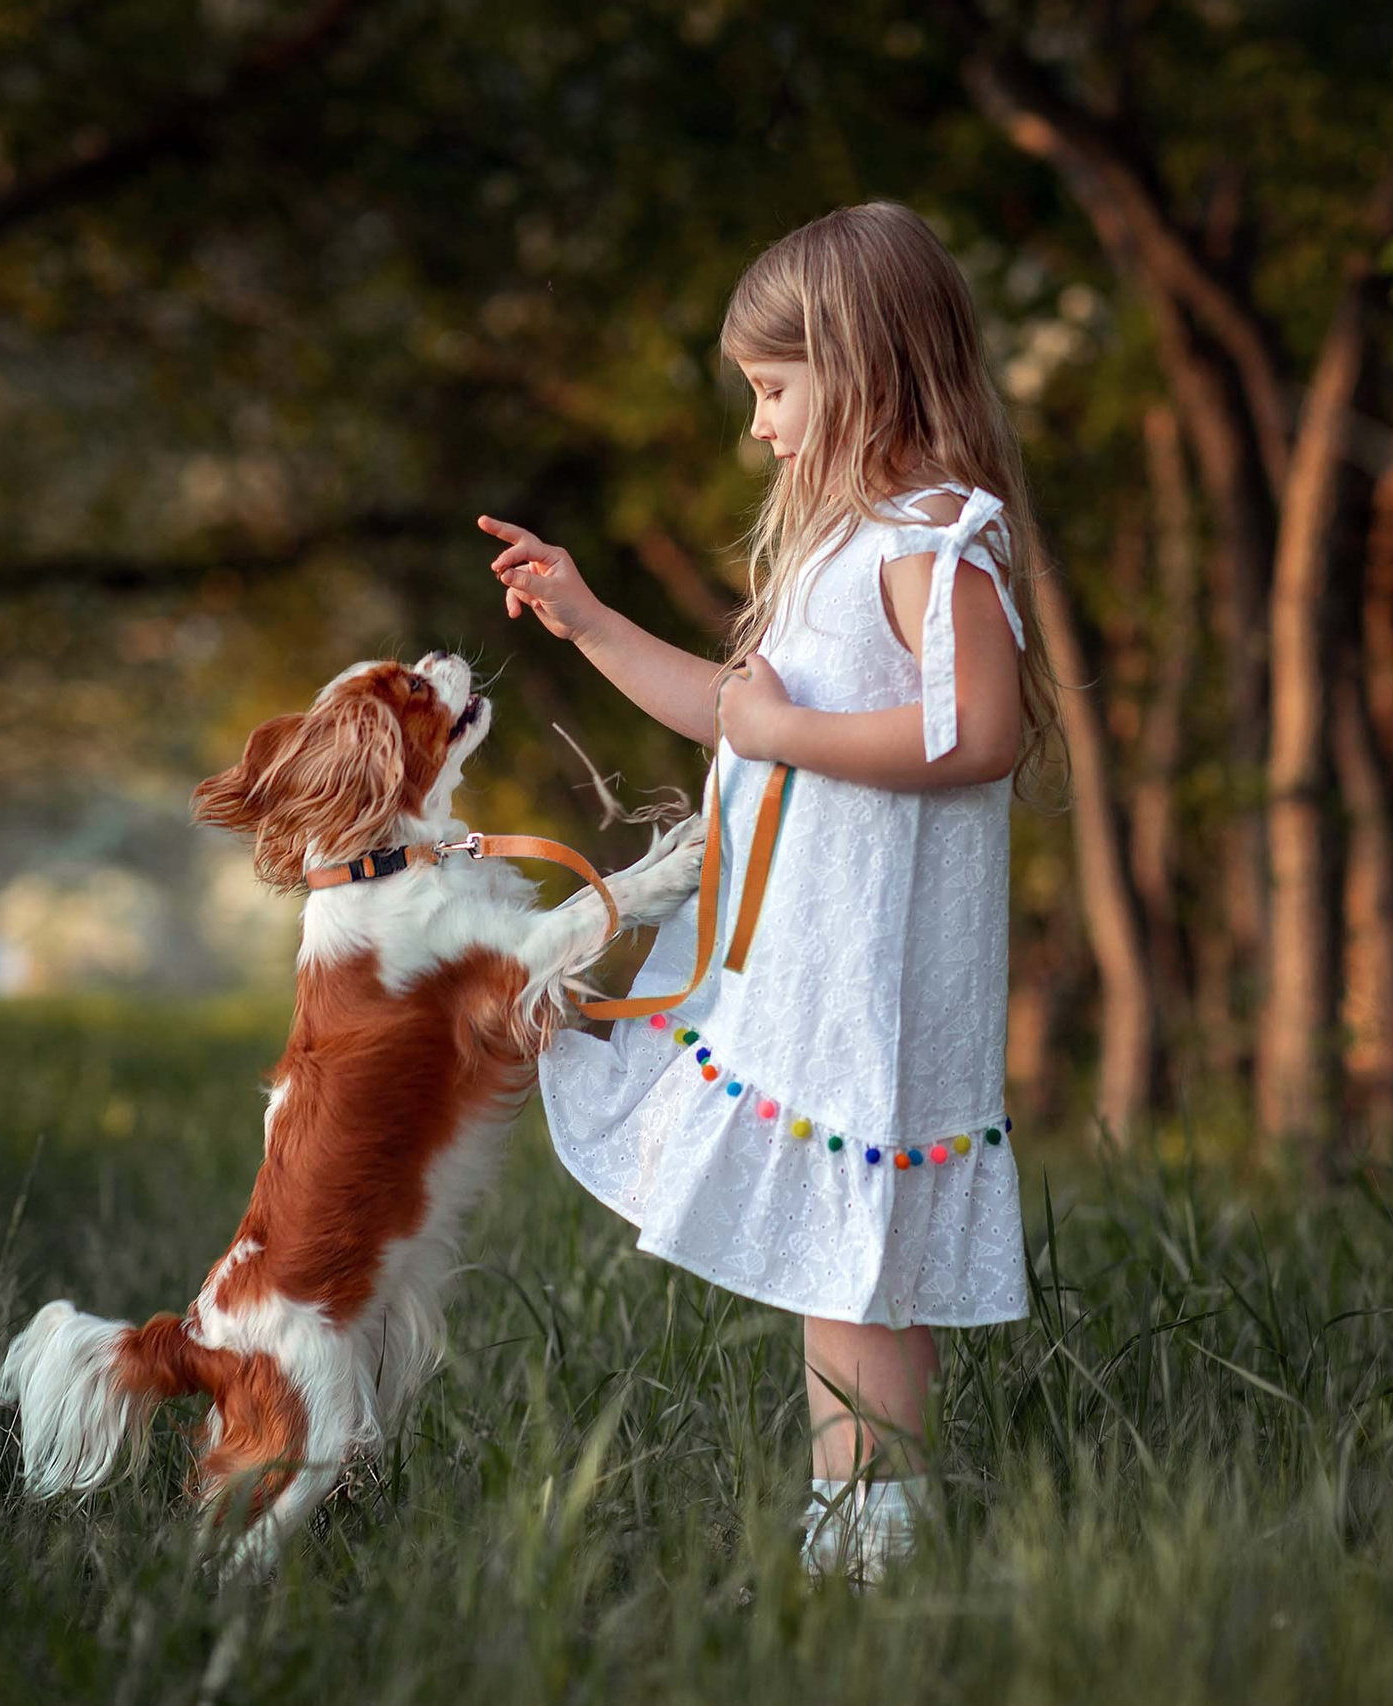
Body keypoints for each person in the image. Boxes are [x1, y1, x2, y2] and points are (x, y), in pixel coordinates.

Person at [475, 201, 1050, 1584]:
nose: (762, 427)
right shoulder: (836, 553)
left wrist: (791, 736)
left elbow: (983, 733)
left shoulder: (934, 541)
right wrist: (590, 616)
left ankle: (868, 1534)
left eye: (776, 391)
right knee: (849, 1264)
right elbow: (734, 715)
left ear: (860, 368)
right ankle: (869, 1519)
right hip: (806, 967)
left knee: (856, 1266)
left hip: (878, 986)